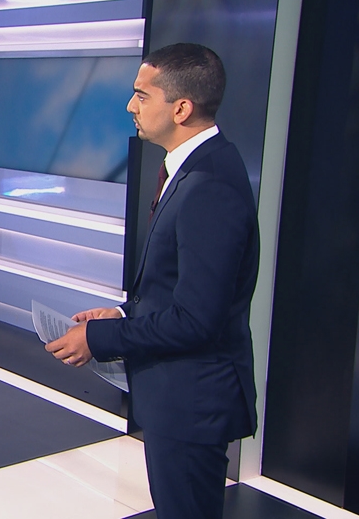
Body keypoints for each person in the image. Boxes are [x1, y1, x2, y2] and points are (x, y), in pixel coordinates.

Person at [46, 43, 258, 518]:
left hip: (191, 402)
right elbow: (178, 289)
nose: (131, 106)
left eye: (142, 95)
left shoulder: (209, 186)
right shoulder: (196, 170)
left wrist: (98, 338)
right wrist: (123, 313)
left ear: (181, 108)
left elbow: (197, 320)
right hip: (178, 398)